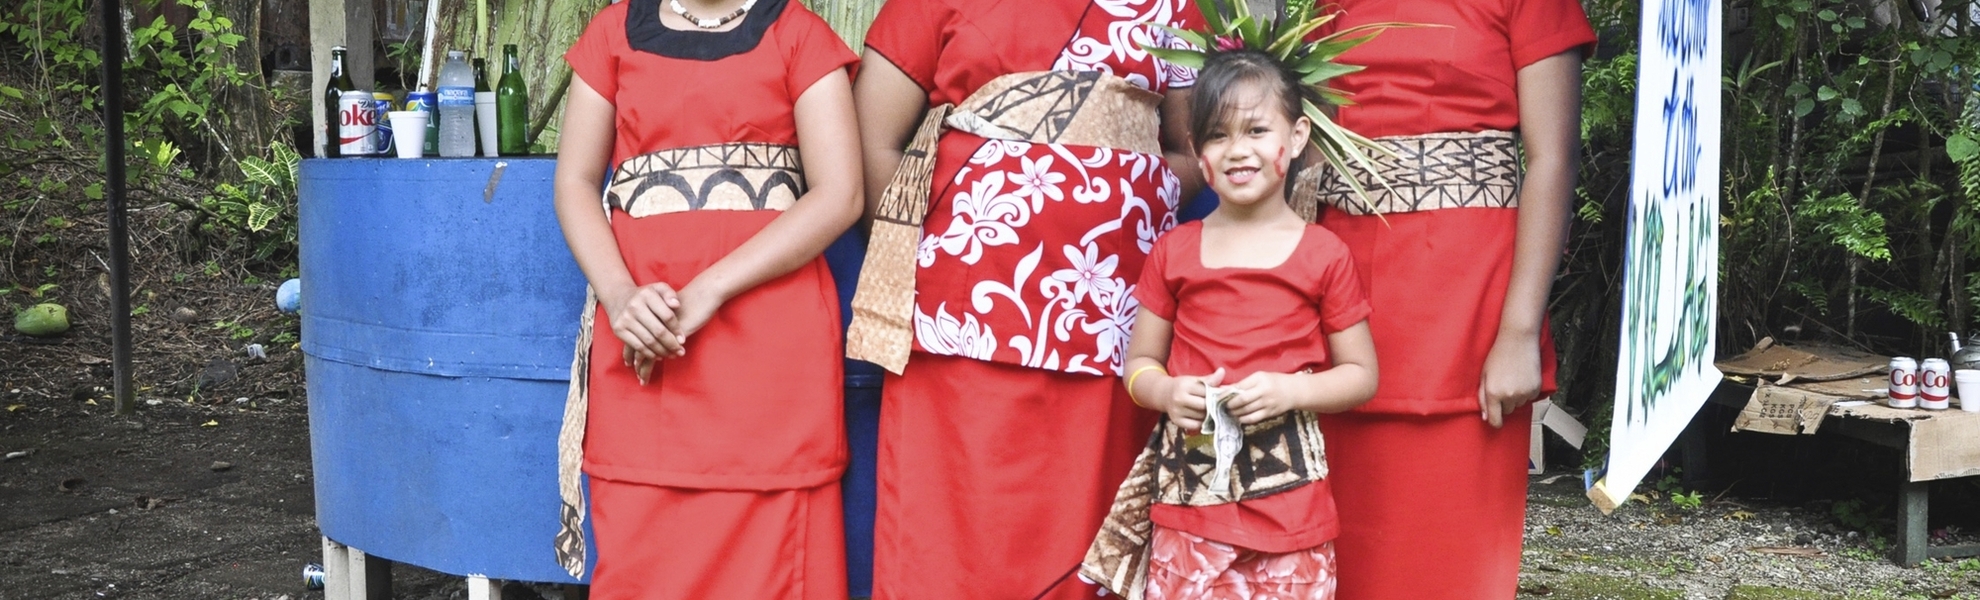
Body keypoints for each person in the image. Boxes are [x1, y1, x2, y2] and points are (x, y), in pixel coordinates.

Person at [846, 0, 1203, 597]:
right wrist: (939, 246)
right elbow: (871, 138)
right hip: (963, 308)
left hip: (1112, 309)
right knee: (952, 526)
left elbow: (1194, 149)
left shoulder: (1175, 7)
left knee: (1084, 523)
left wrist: (1123, 203)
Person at [546, 0, 862, 597]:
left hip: (770, 359)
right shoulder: (612, 33)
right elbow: (575, 183)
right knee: (642, 563)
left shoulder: (799, 35)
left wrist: (709, 290)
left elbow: (841, 194)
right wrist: (620, 297)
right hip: (643, 348)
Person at [1303, 0, 1596, 596]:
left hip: (1468, 302)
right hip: (1342, 294)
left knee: (1447, 551)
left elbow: (1553, 159)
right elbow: (1309, 158)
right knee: (1339, 555)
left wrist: (1518, 331)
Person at [1115, 49, 1380, 599]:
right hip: (1189, 513)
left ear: (1298, 136)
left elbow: (1361, 375)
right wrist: (1166, 391)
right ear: (1197, 151)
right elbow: (1138, 365)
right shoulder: (1174, 251)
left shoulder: (1324, 254)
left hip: (1292, 517)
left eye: (1257, 130)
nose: (1237, 150)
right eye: (1218, 135)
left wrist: (1291, 390)